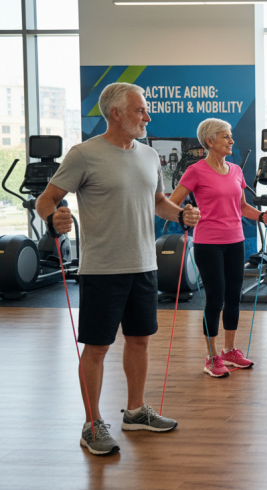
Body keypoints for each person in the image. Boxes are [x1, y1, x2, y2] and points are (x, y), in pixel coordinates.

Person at [36, 83, 200, 456]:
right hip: (101, 268)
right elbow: (47, 199)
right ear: (117, 114)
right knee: (97, 348)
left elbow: (158, 201)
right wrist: (54, 217)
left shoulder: (148, 156)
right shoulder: (84, 155)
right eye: (141, 110)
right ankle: (92, 425)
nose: (148, 116)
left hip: (144, 264)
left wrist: (181, 214)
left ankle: (136, 411)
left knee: (140, 341)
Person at [168, 118, 267, 378]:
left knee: (234, 297)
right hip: (208, 244)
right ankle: (212, 356)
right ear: (210, 141)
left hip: (235, 241)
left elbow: (242, 207)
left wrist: (260, 216)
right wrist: (187, 212)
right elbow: (172, 203)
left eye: (231, 136)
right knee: (215, 298)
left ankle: (229, 351)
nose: (231, 140)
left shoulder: (236, 171)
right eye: (226, 136)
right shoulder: (195, 171)